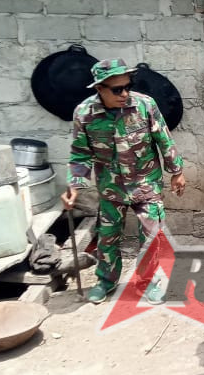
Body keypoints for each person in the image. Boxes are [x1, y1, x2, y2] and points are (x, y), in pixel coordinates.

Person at [61, 58, 186, 304]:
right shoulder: (84, 114)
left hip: (146, 183)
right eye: (117, 89)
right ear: (99, 88)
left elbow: (164, 138)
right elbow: (80, 153)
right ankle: (106, 281)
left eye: (127, 86)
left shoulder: (144, 105)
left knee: (151, 236)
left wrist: (177, 171)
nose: (124, 93)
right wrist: (74, 186)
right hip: (111, 187)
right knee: (107, 237)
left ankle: (147, 282)